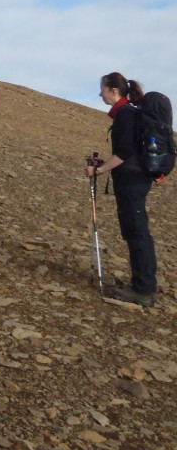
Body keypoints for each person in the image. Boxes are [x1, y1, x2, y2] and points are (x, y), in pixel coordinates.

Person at [84, 72, 157, 307]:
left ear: (113, 91)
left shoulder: (125, 114)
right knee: (136, 231)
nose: (100, 94)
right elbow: (128, 152)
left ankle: (143, 290)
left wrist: (98, 170)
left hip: (132, 182)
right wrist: (105, 163)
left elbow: (125, 153)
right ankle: (141, 285)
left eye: (103, 90)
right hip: (135, 179)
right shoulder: (128, 112)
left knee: (137, 232)